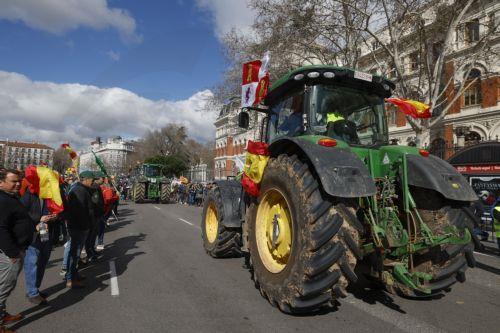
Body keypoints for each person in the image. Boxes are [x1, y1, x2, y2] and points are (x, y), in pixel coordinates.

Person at [0, 168, 35, 332]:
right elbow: (1, 229)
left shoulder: (11, 197)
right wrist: (13, 253)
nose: (18, 184)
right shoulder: (3, 200)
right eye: (13, 181)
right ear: (1, 182)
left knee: (6, 286)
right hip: (10, 254)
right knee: (3, 288)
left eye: (19, 181)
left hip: (15, 250)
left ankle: (2, 315)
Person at [20, 184, 58, 305]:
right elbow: (21, 216)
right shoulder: (29, 195)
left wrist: (54, 217)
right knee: (32, 262)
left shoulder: (51, 195)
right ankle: (32, 293)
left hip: (45, 232)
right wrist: (39, 220)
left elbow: (58, 212)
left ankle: (35, 289)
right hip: (33, 235)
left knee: (42, 261)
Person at [64, 171, 94, 289]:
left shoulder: (80, 189)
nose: (93, 181)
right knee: (75, 253)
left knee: (75, 253)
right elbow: (80, 211)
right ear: (85, 179)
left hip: (79, 226)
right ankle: (71, 279)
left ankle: (74, 275)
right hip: (78, 227)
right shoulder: (79, 190)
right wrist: (86, 224)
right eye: (91, 179)